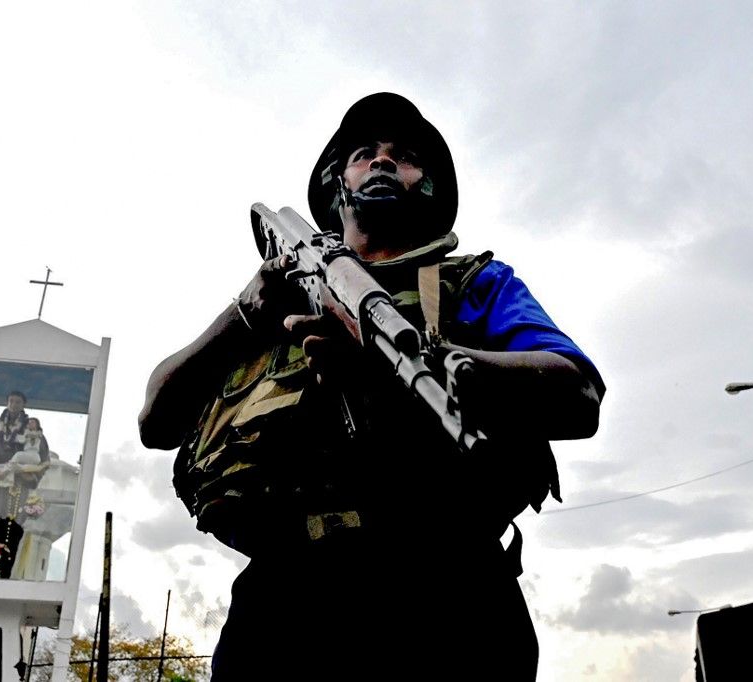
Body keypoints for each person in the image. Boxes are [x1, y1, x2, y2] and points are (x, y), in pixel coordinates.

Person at [139, 93, 605, 681]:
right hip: (285, 602)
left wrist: (420, 367)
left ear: (428, 185)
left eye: (404, 156)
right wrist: (245, 312)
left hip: (449, 593)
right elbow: (156, 420)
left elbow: (578, 396)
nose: (382, 162)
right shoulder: (278, 297)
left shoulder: (474, 283)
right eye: (364, 154)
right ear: (338, 183)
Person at [0, 391, 50, 578]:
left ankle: (6, 571)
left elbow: (43, 460)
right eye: (11, 401)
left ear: (24, 404)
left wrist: (26, 474)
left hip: (18, 485)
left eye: (18, 401)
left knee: (12, 528)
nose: (14, 404)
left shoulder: (32, 429)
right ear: (7, 402)